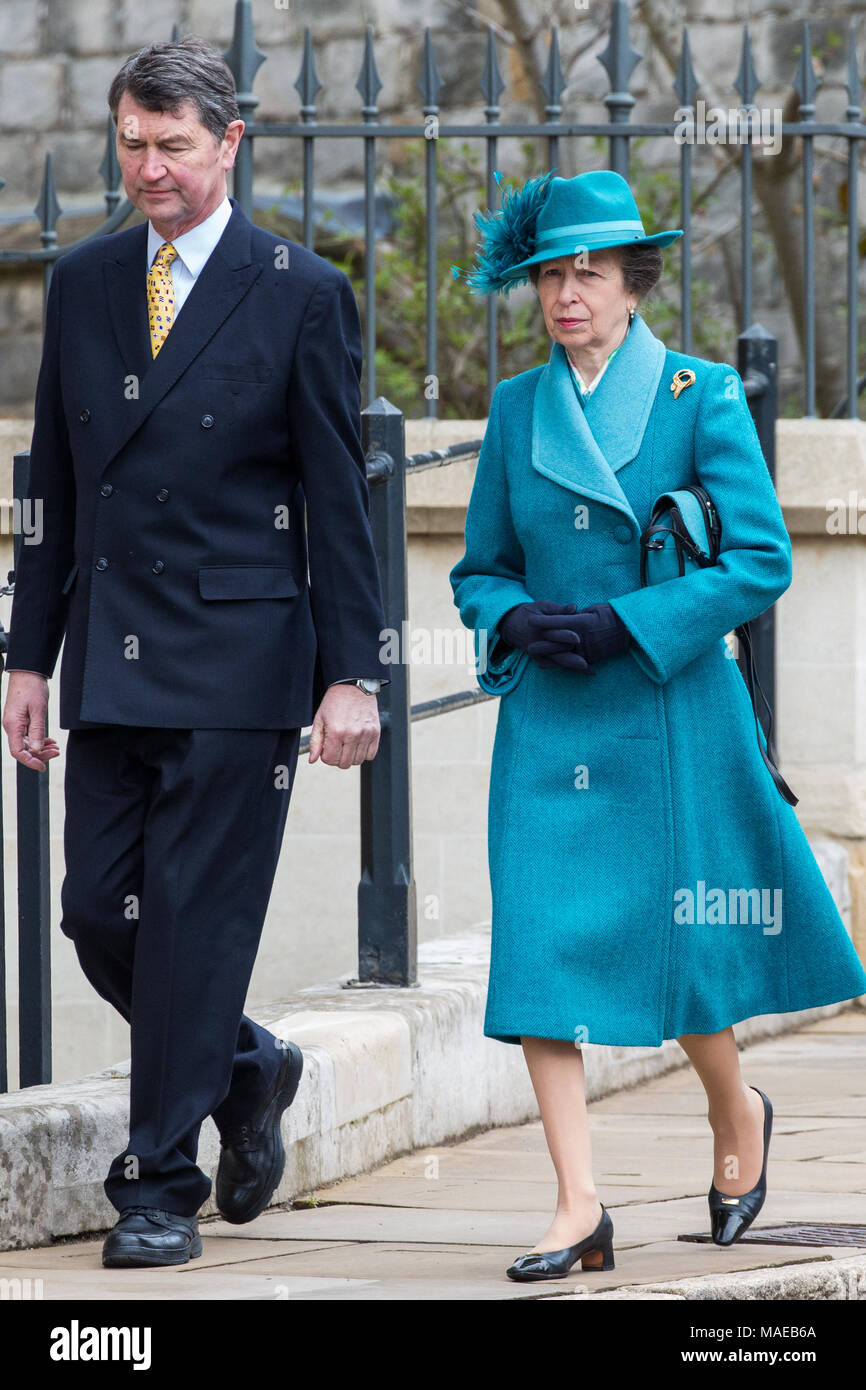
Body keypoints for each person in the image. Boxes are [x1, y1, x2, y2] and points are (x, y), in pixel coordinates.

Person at [1, 36, 390, 1269]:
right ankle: (248, 1066)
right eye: (131, 141)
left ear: (231, 145)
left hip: (242, 660)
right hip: (111, 659)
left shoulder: (299, 291)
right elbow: (53, 488)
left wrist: (353, 671)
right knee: (92, 910)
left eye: (173, 143)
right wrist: (25, 655)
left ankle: (157, 1181)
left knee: (190, 926)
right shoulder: (85, 279)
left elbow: (339, 500)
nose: (149, 166)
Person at [449, 168, 866, 1282]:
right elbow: (478, 568)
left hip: (665, 708)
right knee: (536, 951)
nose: (566, 292)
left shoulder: (700, 395)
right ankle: (577, 1206)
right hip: (549, 721)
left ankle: (737, 1112)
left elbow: (759, 560)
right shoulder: (510, 411)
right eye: (550, 273)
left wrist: (630, 622)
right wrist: (518, 616)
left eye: (589, 272)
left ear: (633, 281)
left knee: (679, 955)